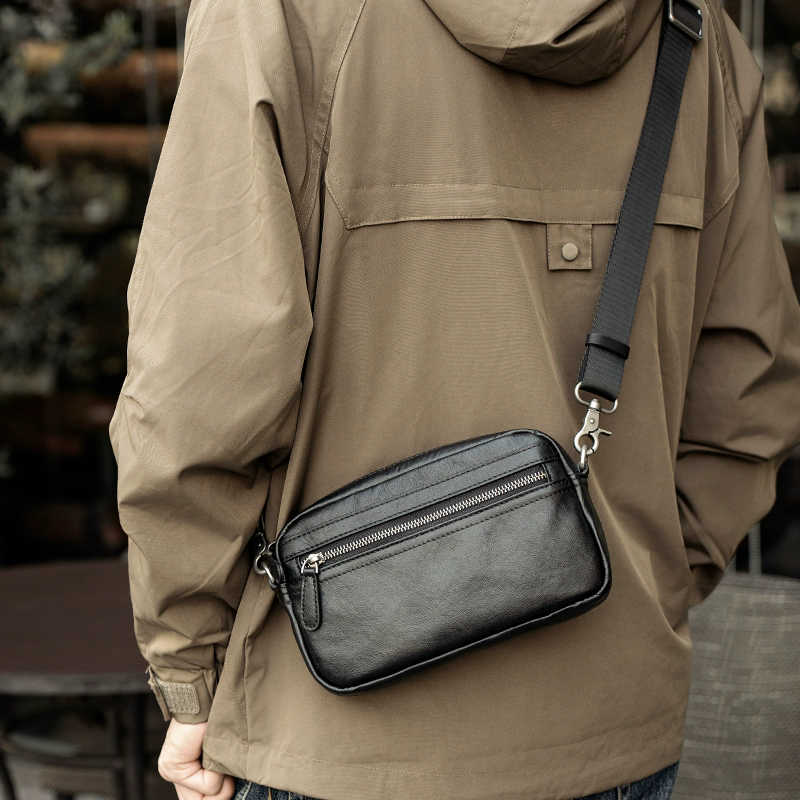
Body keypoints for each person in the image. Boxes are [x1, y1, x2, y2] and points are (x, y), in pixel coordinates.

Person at [109, 0, 800, 798]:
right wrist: (640, 583)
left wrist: (190, 670)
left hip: (330, 733)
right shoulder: (698, 37)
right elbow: (748, 396)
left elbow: (196, 389)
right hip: (611, 730)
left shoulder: (276, 16)